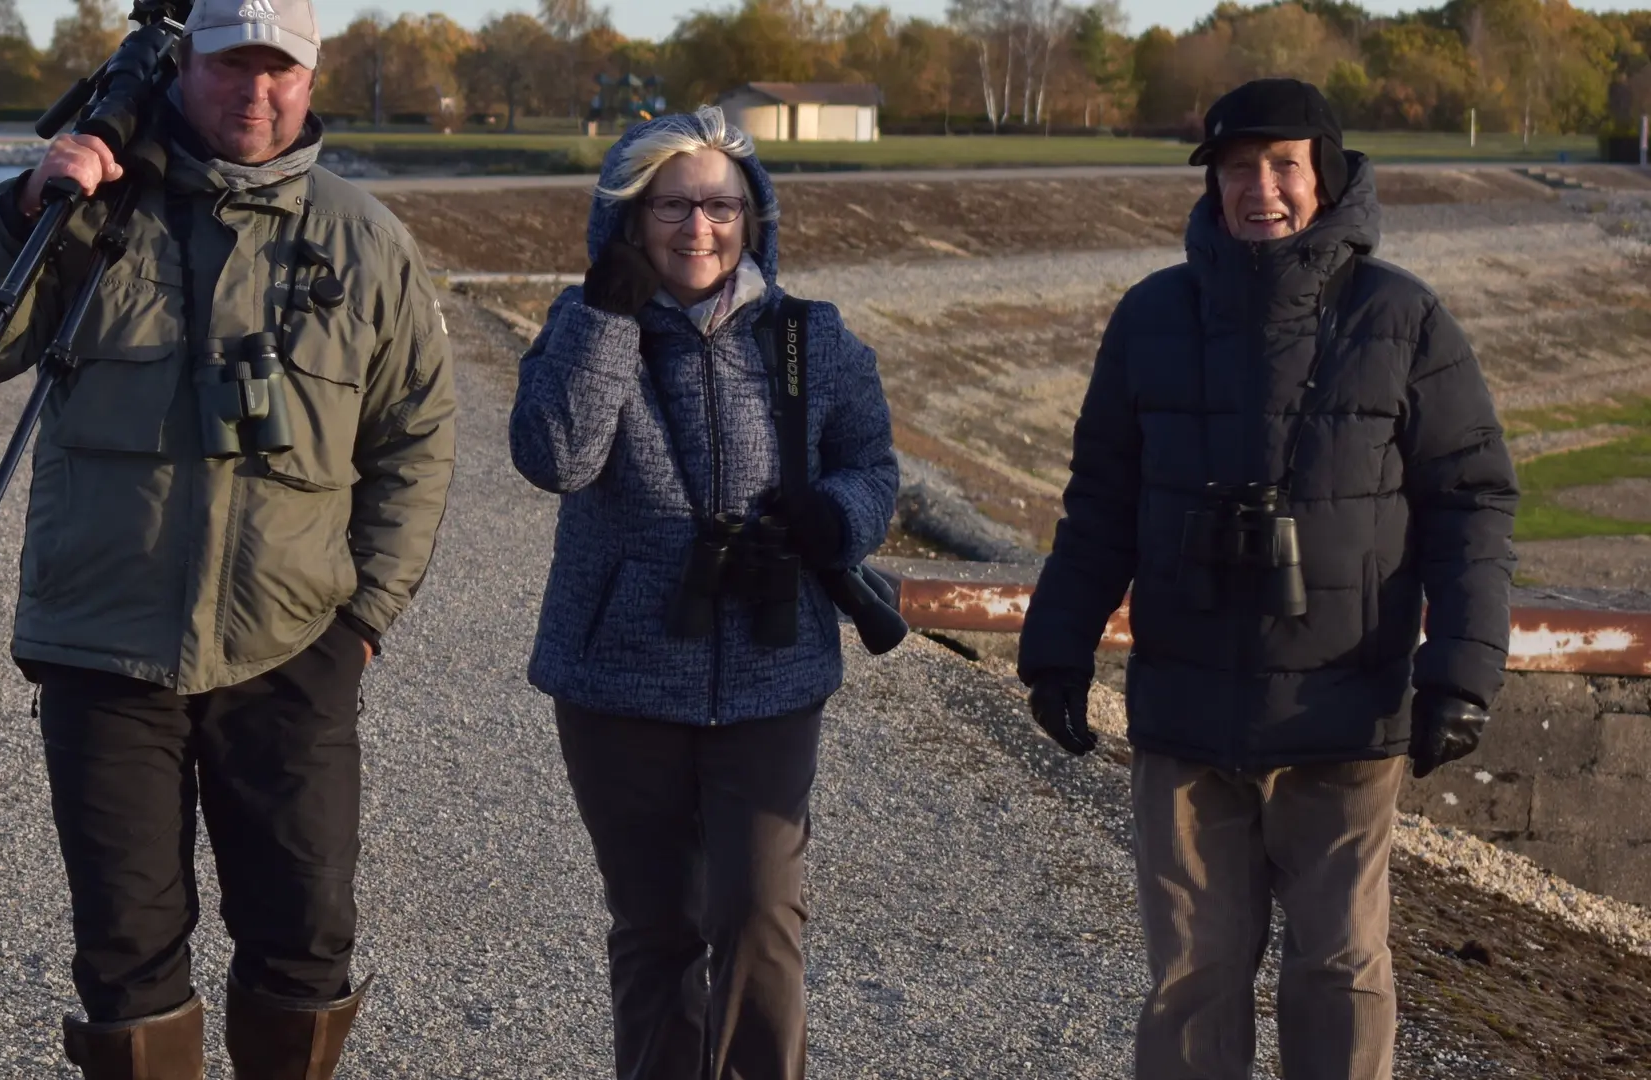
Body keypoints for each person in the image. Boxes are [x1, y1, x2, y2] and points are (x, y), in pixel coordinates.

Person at [0, 0, 456, 1075]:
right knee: (124, 951)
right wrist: (30, 204)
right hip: (102, 646)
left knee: (306, 939)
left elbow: (417, 440)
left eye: (279, 70)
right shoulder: (92, 210)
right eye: (229, 68)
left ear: (311, 76)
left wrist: (363, 621)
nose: (255, 93)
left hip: (296, 646)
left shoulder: (362, 239)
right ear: (183, 69)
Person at [1016, 78, 1517, 1080]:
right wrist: (1056, 650)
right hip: (1186, 715)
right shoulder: (1151, 317)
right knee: (1193, 977)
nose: (1262, 190)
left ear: (1325, 175)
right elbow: (1102, 504)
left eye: (1285, 165)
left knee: (1339, 970)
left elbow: (1472, 500)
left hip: (1344, 709)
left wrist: (1460, 673)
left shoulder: (1404, 320)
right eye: (1239, 168)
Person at [508, 105, 898, 1080]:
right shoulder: (580, 324)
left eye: (722, 206)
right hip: (618, 678)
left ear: (753, 219)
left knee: (762, 914)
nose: (698, 229)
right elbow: (557, 458)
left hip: (771, 669)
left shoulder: (813, 339)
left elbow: (873, 465)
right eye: (673, 205)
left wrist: (835, 516)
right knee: (655, 927)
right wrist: (604, 317)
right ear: (631, 219)